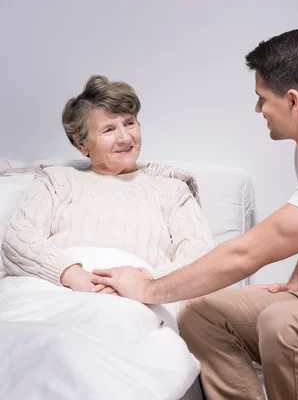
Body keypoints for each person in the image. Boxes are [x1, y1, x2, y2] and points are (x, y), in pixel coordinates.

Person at [90, 29, 298, 400]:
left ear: (293, 101)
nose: (258, 110)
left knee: (285, 324)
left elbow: (247, 253)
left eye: (262, 99)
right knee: (201, 314)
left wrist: (148, 289)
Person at [2, 75, 213, 293]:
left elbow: (201, 258)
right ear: (82, 143)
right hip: (55, 292)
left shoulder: (171, 189)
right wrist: (71, 274)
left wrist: (145, 282)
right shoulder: (57, 181)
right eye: (109, 130)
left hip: (135, 300)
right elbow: (17, 239)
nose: (125, 138)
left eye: (130, 123)